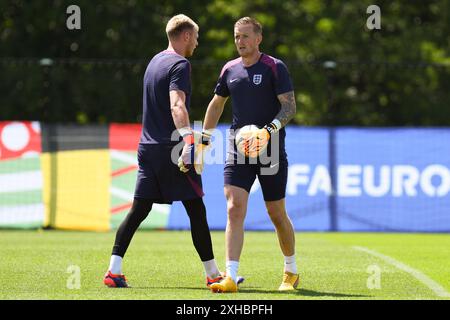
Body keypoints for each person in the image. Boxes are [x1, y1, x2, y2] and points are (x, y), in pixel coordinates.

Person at [103, 14, 223, 288]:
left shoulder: (154, 61)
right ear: (185, 36)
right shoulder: (180, 64)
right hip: (172, 149)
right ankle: (214, 274)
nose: (197, 41)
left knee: (139, 209)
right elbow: (176, 105)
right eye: (196, 36)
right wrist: (188, 140)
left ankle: (114, 270)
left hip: (147, 147)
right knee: (196, 210)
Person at [201, 17, 299, 293]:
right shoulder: (229, 69)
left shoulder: (274, 67)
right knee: (234, 206)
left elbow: (290, 108)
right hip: (238, 148)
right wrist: (204, 139)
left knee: (276, 212)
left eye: (245, 36)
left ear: (258, 39)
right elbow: (217, 104)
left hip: (270, 151)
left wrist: (268, 131)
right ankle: (230, 276)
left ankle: (290, 270)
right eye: (236, 37)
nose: (240, 42)